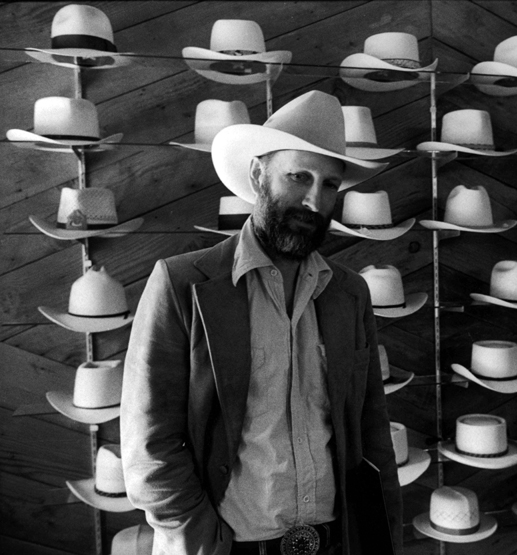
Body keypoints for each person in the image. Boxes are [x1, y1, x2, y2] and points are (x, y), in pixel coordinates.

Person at [121, 91, 402, 555]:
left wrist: (382, 537)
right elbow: (149, 447)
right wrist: (204, 537)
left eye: (330, 184)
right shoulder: (182, 283)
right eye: (299, 176)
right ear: (257, 175)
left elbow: (372, 430)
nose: (315, 200)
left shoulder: (350, 293)